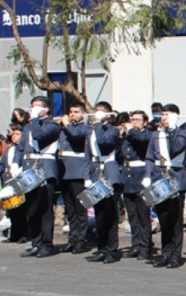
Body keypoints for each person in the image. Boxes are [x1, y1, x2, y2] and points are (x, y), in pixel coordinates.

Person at [14, 96, 62, 258]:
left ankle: (47, 244)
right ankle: (36, 242)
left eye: (37, 107)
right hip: (29, 171)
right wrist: (16, 164)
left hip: (45, 169)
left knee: (45, 210)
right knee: (32, 210)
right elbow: (21, 147)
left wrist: (35, 119)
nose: (33, 110)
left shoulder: (53, 125)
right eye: (32, 107)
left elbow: (39, 136)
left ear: (46, 109)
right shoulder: (28, 127)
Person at [144, 103, 186, 268]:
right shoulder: (155, 135)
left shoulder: (181, 133)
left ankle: (175, 255)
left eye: (167, 115)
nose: (163, 117)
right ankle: (166, 252)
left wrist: (172, 129)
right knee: (163, 219)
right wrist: (147, 176)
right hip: (159, 178)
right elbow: (149, 157)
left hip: (175, 180)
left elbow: (176, 148)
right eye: (162, 115)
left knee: (175, 221)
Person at [87, 102, 123, 264]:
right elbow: (87, 154)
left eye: (101, 112)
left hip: (109, 172)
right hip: (95, 172)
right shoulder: (92, 131)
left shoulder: (112, 130)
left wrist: (97, 124)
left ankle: (112, 249)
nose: (97, 115)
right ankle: (101, 248)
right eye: (96, 112)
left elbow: (104, 144)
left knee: (110, 215)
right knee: (99, 214)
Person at [57, 101, 93, 254]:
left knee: (80, 209)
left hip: (78, 172)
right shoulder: (65, 129)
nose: (72, 114)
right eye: (71, 111)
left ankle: (81, 240)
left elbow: (76, 136)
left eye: (76, 112)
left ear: (83, 115)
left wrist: (66, 125)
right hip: (65, 172)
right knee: (70, 209)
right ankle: (72, 239)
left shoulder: (85, 128)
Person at [120, 110, 154, 260]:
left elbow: (142, 140)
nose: (134, 122)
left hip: (140, 175)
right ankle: (136, 244)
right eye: (132, 119)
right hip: (128, 177)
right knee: (132, 215)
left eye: (138, 120)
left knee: (143, 215)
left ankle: (145, 246)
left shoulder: (147, 134)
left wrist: (131, 131)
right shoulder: (128, 135)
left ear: (145, 122)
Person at [0, 124, 29, 243]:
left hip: (20, 180)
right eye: (13, 134)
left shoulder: (25, 149)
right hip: (8, 180)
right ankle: (14, 234)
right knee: (11, 210)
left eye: (17, 134)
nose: (14, 136)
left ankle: (24, 234)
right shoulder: (9, 148)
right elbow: (2, 163)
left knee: (22, 209)